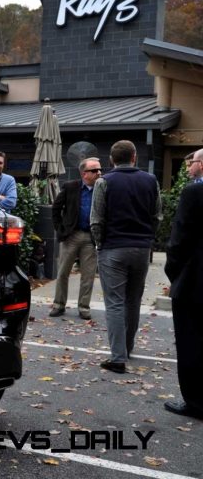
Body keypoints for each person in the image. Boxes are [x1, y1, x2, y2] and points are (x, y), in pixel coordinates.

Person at [90, 140, 161, 374]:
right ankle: (127, 348)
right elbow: (157, 215)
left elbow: (96, 219)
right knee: (133, 301)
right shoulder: (150, 180)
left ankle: (118, 356)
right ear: (134, 157)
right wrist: (148, 239)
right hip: (141, 248)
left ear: (111, 160)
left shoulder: (104, 182)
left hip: (113, 248)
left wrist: (101, 244)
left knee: (115, 303)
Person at [163, 180, 203, 419]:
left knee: (192, 344)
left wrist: (175, 275)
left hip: (195, 282)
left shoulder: (194, 192)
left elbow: (179, 241)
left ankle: (196, 402)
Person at [48, 157, 102, 320]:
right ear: (84, 173)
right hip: (71, 235)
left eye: (100, 170)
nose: (99, 173)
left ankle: (84, 307)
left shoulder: (102, 189)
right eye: (94, 170)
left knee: (88, 275)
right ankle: (59, 304)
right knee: (63, 272)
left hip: (91, 237)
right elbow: (56, 208)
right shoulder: (71, 187)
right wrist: (60, 230)